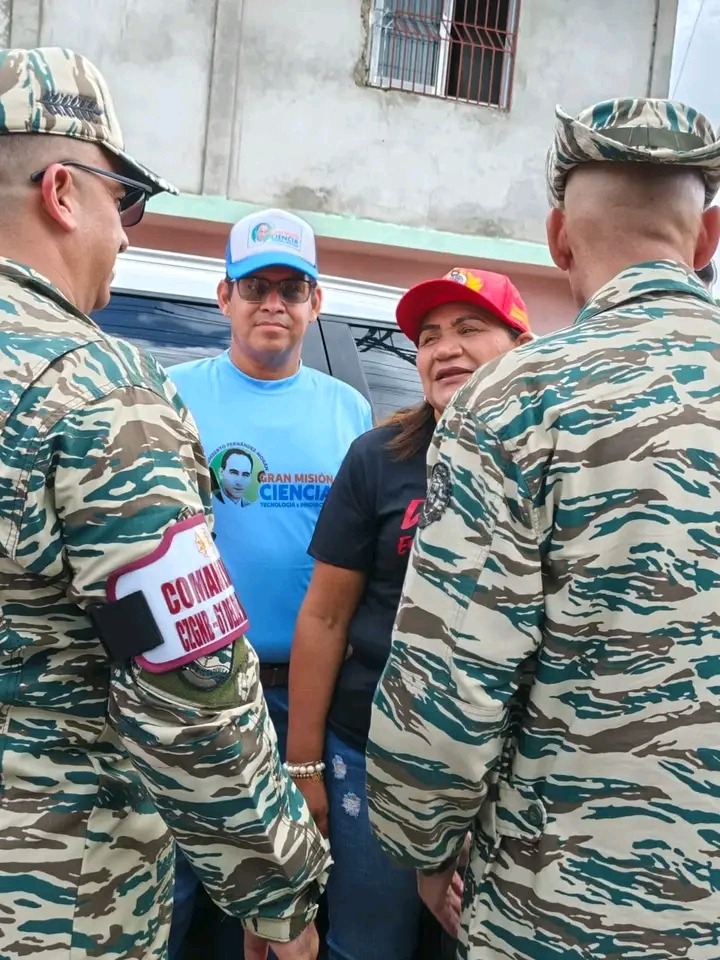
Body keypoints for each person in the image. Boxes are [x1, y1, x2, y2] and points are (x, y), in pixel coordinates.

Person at [366, 97, 720, 960]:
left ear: (558, 238)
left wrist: (422, 848)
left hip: (560, 907)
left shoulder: (516, 401)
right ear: (708, 237)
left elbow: (447, 686)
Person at [0, 46, 330, 960]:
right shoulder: (98, 392)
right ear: (62, 192)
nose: (128, 234)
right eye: (126, 201)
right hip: (52, 892)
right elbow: (188, 691)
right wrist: (283, 897)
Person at [287, 268, 532, 960]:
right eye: (428, 337)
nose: (444, 348)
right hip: (373, 754)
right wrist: (304, 768)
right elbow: (325, 618)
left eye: (469, 328)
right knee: (369, 944)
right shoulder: (379, 457)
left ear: (521, 345)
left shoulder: (553, 459)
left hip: (511, 772)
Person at [168, 208, 373, 956]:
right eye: (255, 287)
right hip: (192, 691)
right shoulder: (170, 392)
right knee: (174, 892)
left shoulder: (349, 408)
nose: (273, 304)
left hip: (304, 699)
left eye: (292, 288)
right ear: (225, 296)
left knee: (280, 904)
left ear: (316, 302)